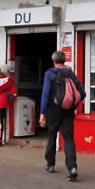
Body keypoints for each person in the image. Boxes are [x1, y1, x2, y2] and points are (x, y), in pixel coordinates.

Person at [39, 51, 86, 182]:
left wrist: (42, 113)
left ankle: (50, 164)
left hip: (54, 109)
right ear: (64, 60)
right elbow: (82, 93)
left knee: (52, 135)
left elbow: (45, 94)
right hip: (69, 110)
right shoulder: (70, 73)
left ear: (53, 60)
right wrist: (72, 105)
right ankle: (72, 168)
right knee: (69, 138)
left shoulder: (49, 74)